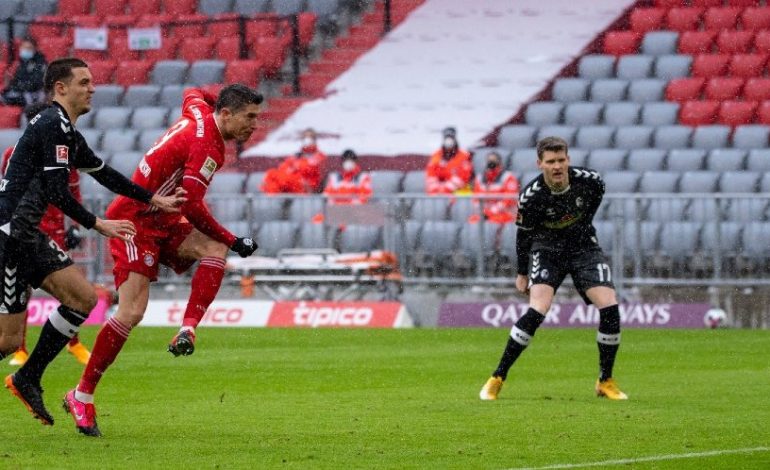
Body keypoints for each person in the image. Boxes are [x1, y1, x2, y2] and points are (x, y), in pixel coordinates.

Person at [63, 83, 263, 437]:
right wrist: (233, 239)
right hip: (135, 220)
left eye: (257, 118)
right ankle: (82, 394)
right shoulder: (207, 147)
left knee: (213, 250)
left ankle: (187, 329)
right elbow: (193, 207)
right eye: (249, 117)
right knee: (132, 312)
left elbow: (194, 89)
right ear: (228, 115)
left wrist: (223, 102)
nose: (254, 125)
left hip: (162, 217)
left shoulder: (199, 112)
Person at [1, 57, 186, 427]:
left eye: (92, 81)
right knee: (9, 340)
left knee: (79, 302)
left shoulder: (65, 130)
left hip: (25, 236)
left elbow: (105, 174)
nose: (93, 88)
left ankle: (28, 377)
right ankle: (28, 376)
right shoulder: (53, 123)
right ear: (60, 88)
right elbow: (56, 190)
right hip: (10, 236)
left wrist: (152, 199)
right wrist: (98, 224)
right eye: (84, 82)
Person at [479, 136, 627, 401]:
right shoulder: (531, 197)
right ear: (540, 164)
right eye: (551, 162)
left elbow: (592, 205)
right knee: (538, 308)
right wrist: (522, 272)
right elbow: (523, 236)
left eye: (561, 160)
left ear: (568, 160)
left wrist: (578, 230)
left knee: (610, 307)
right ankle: (497, 377)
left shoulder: (591, 181)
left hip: (583, 247)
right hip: (546, 249)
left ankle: (605, 380)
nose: (557, 166)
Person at [1, 103, 92, 366]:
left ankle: (72, 344)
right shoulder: (14, 154)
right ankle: (20, 349)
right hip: (25, 228)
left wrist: (76, 225)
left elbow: (73, 192)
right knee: (22, 292)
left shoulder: (64, 154)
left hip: (54, 229)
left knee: (73, 292)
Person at [261, 128, 327, 194]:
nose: (307, 140)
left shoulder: (319, 156)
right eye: (305, 137)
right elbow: (283, 167)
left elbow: (307, 169)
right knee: (272, 174)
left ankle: (272, 198)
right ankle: (272, 200)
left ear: (314, 140)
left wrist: (294, 167)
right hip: (292, 182)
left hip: (306, 185)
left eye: (310, 137)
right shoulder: (297, 155)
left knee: (278, 178)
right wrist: (291, 169)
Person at [469, 151, 520, 224]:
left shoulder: (508, 177)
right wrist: (483, 211)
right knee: (473, 221)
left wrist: (492, 211)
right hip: (484, 214)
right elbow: (476, 198)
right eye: (489, 160)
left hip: (504, 214)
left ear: (500, 162)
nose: (491, 162)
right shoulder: (480, 178)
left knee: (491, 223)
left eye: (494, 160)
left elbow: (509, 199)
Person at [425, 127, 472, 194]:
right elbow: (430, 174)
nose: (448, 141)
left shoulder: (464, 156)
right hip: (438, 195)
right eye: (446, 137)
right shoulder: (436, 156)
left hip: (459, 193)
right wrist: (435, 188)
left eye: (451, 137)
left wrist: (448, 188)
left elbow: (464, 176)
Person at [1, 38, 47, 106]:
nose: (26, 50)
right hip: (19, 92)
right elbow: (15, 81)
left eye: (29, 48)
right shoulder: (21, 63)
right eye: (24, 47)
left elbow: (35, 83)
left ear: (35, 49)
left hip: (33, 95)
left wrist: (18, 87)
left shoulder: (41, 63)